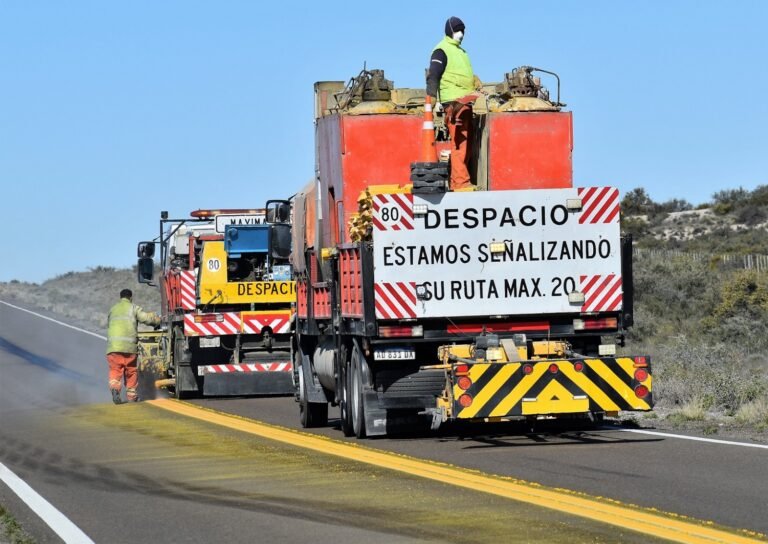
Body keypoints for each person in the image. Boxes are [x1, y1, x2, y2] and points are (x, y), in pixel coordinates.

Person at [426, 16, 481, 190]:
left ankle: (461, 180)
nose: (461, 34)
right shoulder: (441, 50)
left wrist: (474, 81)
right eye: (458, 30)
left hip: (466, 101)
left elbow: (460, 74)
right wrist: (432, 97)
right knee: (460, 142)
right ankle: (460, 182)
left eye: (463, 31)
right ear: (450, 31)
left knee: (466, 142)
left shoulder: (462, 53)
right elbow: (433, 75)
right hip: (453, 102)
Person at [106, 288, 161, 404]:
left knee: (115, 370)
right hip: (129, 348)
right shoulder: (133, 308)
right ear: (130, 298)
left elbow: (109, 325)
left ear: (120, 297)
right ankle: (132, 396)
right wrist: (157, 321)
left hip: (113, 348)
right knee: (131, 371)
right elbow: (146, 319)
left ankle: (115, 390)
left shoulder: (112, 309)